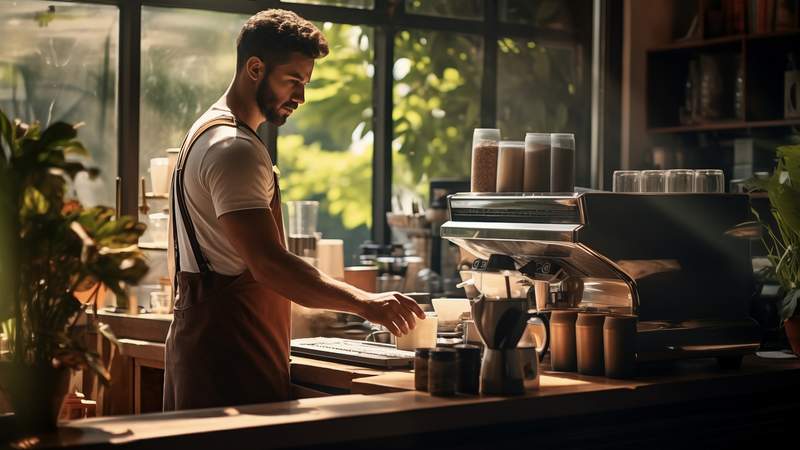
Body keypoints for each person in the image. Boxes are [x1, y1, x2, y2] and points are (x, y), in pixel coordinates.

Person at [163, 9, 424, 411]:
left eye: (305, 83)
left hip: (204, 349)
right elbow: (270, 265)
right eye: (293, 80)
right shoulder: (235, 150)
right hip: (231, 357)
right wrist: (367, 304)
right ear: (254, 68)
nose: (300, 97)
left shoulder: (204, 132)